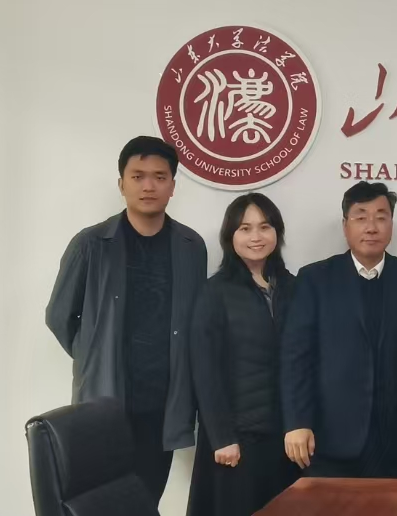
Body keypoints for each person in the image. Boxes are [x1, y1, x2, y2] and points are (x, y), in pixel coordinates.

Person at [46, 136, 208, 503]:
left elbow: (195, 320)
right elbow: (59, 315)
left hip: (164, 403)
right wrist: (95, 354)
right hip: (105, 399)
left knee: (147, 501)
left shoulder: (191, 246)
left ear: (173, 186)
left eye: (159, 177)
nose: (148, 186)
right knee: (101, 502)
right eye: (138, 176)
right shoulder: (91, 244)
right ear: (121, 184)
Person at [279, 182, 397, 478]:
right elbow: (296, 356)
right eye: (361, 217)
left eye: (381, 217)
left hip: (395, 438)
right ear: (345, 225)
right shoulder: (315, 279)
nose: (371, 227)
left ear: (391, 224)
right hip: (327, 436)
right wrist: (297, 421)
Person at [188, 193, 299, 516]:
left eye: (264, 227)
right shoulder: (215, 291)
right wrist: (221, 436)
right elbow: (204, 369)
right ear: (230, 236)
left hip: (286, 436)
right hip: (237, 438)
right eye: (245, 228)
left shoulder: (294, 287)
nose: (256, 237)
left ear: (277, 232)